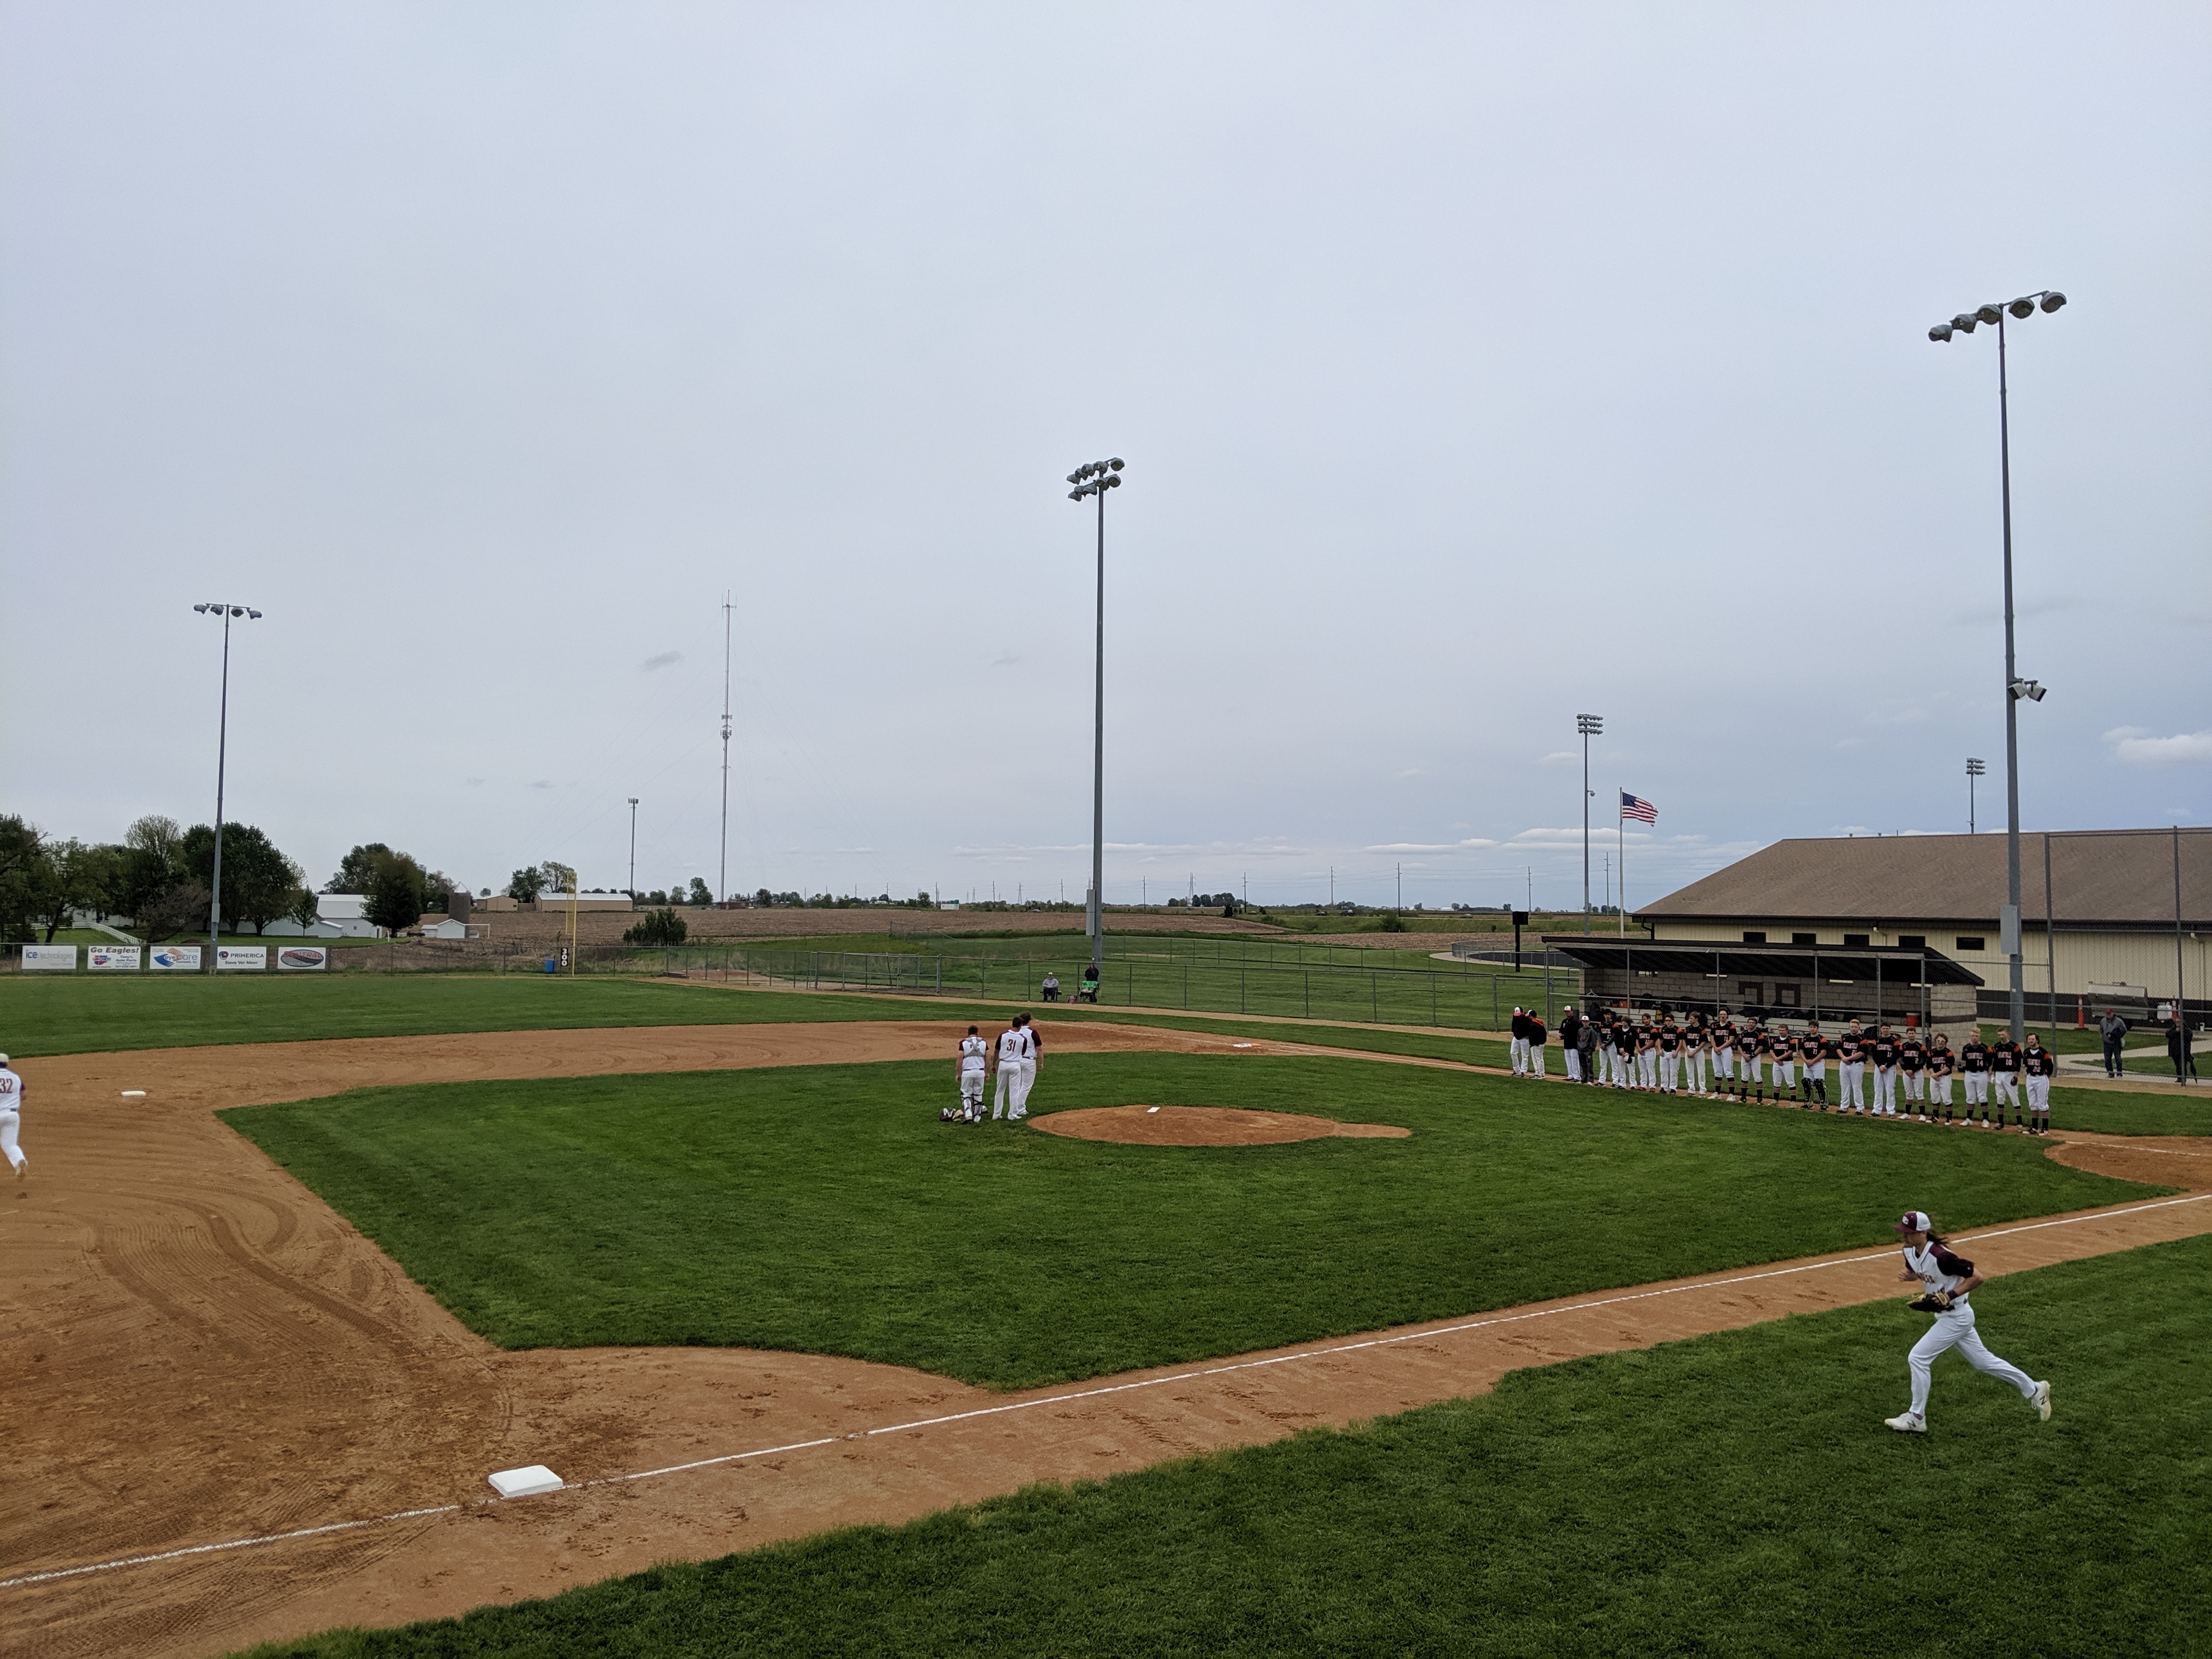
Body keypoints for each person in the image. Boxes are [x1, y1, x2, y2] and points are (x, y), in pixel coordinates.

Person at [1883, 1209, 2050, 1435]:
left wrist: (1949, 1295)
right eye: (1903, 1231)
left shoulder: (1942, 1257)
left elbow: (1977, 1277)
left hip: (1958, 1316)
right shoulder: (1909, 1251)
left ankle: (1916, 1418)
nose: (1904, 1236)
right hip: (1948, 1316)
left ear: (1922, 1233)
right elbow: (1918, 1270)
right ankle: (2035, 1389)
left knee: (1918, 1358)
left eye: (1909, 1232)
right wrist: (1911, 1277)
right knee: (1984, 1362)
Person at [992, 1019, 1028, 1120]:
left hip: (1003, 1064)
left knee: (1000, 1090)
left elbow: (996, 1051)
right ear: (1020, 1025)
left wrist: (994, 1064)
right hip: (1015, 1065)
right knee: (1014, 1091)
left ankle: (996, 1114)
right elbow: (1022, 1052)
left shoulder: (1003, 1035)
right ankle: (1012, 1115)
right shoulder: (1023, 1039)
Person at [2022, 1034, 2056, 1135]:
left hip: (2041, 1078)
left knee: (2042, 1103)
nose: (2031, 1041)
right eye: (2029, 1039)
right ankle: (2035, 1127)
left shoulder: (2043, 1052)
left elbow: (2050, 1066)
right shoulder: (2026, 1052)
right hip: (2030, 1078)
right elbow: (2026, 1064)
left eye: (2033, 1039)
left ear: (2037, 1040)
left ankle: (2045, 1128)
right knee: (2032, 1103)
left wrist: (2047, 1076)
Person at [954, 1025, 988, 1121]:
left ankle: (968, 1114)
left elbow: (959, 1060)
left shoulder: (963, 1043)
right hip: (980, 1072)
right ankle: (977, 1117)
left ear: (968, 1033)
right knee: (978, 1094)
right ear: (977, 1033)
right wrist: (987, 1072)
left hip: (967, 1072)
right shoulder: (984, 1043)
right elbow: (988, 1059)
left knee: (966, 1094)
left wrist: (958, 1074)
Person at [1960, 1027, 1992, 1126]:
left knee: (1982, 1096)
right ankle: (1969, 1119)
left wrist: (1988, 1070)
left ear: (1979, 1036)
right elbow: (1964, 1061)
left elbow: (1990, 1061)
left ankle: (1986, 1120)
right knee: (1970, 1097)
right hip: (1969, 1073)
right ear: (1970, 1036)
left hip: (1981, 1073)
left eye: (1977, 1036)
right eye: (1973, 1035)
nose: (1975, 1038)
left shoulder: (1985, 1048)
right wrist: (1962, 1067)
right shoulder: (1966, 1048)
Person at [1989, 1031, 2023, 1127]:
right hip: (1999, 1073)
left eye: (2003, 1034)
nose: (2001, 1036)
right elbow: (1995, 1061)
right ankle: (2000, 1122)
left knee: (2014, 1098)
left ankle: (2020, 1123)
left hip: (2010, 1073)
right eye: (1999, 1035)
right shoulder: (1996, 1046)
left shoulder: (2014, 1046)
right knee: (2000, 1097)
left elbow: (2018, 1061)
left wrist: (2016, 1075)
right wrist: (1993, 1074)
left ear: (2007, 1034)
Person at [0, 1053, 23, 1182]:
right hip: (12, 1115)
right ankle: (19, 1161)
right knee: (10, 1145)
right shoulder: (15, 1077)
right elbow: (23, 1095)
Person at [1014, 1013, 1042, 1115]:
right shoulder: (1032, 1032)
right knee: (1026, 1086)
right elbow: (1039, 1049)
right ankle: (1020, 1109)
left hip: (1017, 1060)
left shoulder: (1016, 1032)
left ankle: (1014, 1107)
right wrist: (1041, 1063)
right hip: (1029, 1061)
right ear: (1029, 1021)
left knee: (1018, 1085)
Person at [1838, 1020, 1867, 1114]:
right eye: (1852, 1027)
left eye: (1856, 1027)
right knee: (1844, 1086)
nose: (1854, 1029)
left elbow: (1862, 1053)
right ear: (1849, 1027)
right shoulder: (1845, 1037)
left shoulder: (1862, 1039)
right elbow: (1838, 1048)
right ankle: (1844, 1106)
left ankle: (1860, 1108)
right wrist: (1843, 1058)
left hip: (1856, 1064)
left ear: (1859, 1028)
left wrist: (1848, 1058)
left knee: (1856, 1086)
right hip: (1844, 1064)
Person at [1899, 1028, 1928, 1119]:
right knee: (1908, 1093)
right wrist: (1906, 1070)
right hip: (1906, 1073)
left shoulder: (1921, 1047)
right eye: (1910, 1033)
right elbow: (1901, 1059)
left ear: (1916, 1034)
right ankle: (1907, 1114)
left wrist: (1913, 1071)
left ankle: (1922, 1114)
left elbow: (1922, 1061)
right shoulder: (1903, 1046)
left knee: (1919, 1093)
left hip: (1917, 1073)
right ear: (1907, 1034)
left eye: (1913, 1033)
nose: (1911, 1035)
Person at [1929, 1032, 1957, 1123]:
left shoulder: (1949, 1053)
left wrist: (1937, 1075)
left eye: (1942, 1041)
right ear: (1935, 1041)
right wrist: (1933, 1075)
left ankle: (1949, 1118)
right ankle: (1935, 1117)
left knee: (1947, 1098)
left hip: (1944, 1078)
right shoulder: (1931, 1052)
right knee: (1934, 1097)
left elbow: (1948, 1067)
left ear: (1946, 1042)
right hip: (1934, 1078)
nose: (1940, 1043)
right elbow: (1929, 1065)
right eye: (1938, 1041)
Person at [1806, 1022, 1835, 1109]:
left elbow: (1823, 1053)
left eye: (1814, 1027)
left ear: (1818, 1028)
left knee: (1819, 1083)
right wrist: (1806, 1061)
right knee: (1806, 1082)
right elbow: (1802, 1051)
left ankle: (1824, 1103)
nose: (1812, 1029)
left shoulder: (1822, 1039)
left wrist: (1813, 1061)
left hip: (1818, 1063)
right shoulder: (1806, 1038)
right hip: (1807, 1063)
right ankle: (1808, 1102)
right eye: (1811, 1027)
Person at [2098, 1007, 2129, 1078]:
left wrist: (2117, 1034)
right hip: (2107, 1043)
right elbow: (2101, 1030)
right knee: (2107, 1059)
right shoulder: (2103, 1021)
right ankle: (2111, 1073)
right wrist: (2103, 1038)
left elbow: (2124, 1030)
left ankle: (2119, 1073)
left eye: (2110, 1013)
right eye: (2107, 1014)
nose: (2109, 1015)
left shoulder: (2119, 1021)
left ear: (2113, 1013)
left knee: (2118, 1059)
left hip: (2116, 1043)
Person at [1560, 1006, 1584, 1083]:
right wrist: (1560, 1034)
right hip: (1567, 1044)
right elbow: (1562, 1031)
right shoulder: (1564, 1021)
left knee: (1575, 1061)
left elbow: (1573, 1033)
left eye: (1568, 1011)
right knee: (1568, 1061)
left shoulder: (1576, 1022)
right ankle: (1571, 1075)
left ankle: (1577, 1077)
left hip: (1574, 1044)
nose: (1567, 1013)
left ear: (1572, 1012)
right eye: (1566, 1012)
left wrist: (1562, 1037)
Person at [1509, 1008, 1532, 1077]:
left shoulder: (1526, 1018)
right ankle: (1516, 1070)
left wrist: (1528, 1036)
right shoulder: (1515, 1017)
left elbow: (1531, 1027)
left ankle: (1523, 1071)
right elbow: (1513, 1025)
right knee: (1513, 1053)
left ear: (1522, 1012)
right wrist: (1513, 1033)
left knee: (1524, 1055)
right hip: (1516, 1038)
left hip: (1524, 1038)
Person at [1526, 1010, 1549, 1079]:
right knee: (1540, 1058)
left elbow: (1534, 1036)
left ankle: (1538, 1074)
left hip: (1536, 1045)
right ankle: (1542, 1073)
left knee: (1536, 1059)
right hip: (1542, 1044)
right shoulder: (1540, 1023)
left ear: (1531, 1016)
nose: (1529, 1018)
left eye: (1529, 1016)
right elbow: (1545, 1033)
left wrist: (1534, 1043)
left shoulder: (1533, 1025)